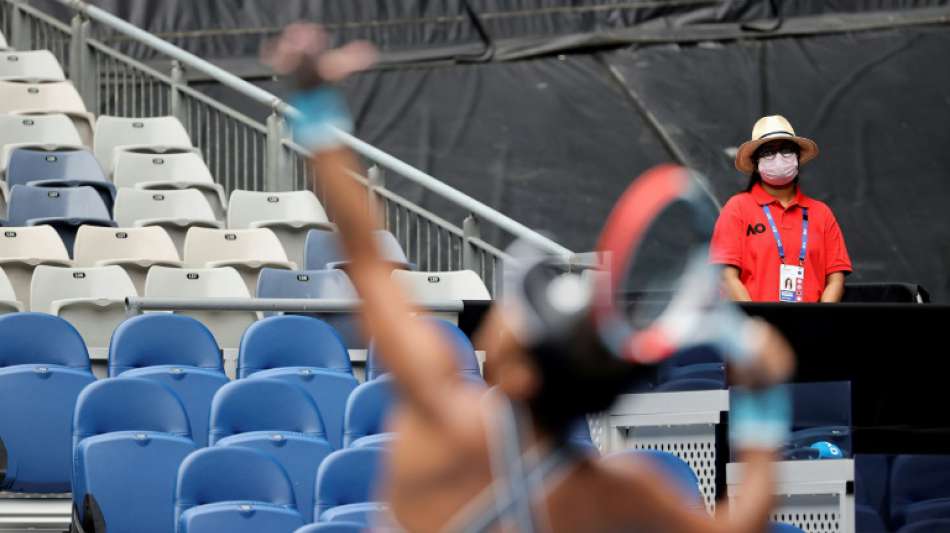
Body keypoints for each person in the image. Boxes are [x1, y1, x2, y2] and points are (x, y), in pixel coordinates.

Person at [265, 24, 796, 532]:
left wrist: (316, 109)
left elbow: (364, 256)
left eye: (523, 315)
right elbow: (738, 527)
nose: (506, 311)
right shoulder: (619, 489)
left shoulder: (444, 416)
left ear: (521, 375)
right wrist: (763, 405)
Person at [711, 115, 852, 303]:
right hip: (758, 328)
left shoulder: (821, 213)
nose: (778, 158)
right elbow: (727, 276)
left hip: (811, 329)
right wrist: (758, 323)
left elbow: (835, 278)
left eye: (786, 150)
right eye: (768, 152)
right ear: (755, 163)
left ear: (798, 157)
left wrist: (819, 321)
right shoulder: (737, 208)